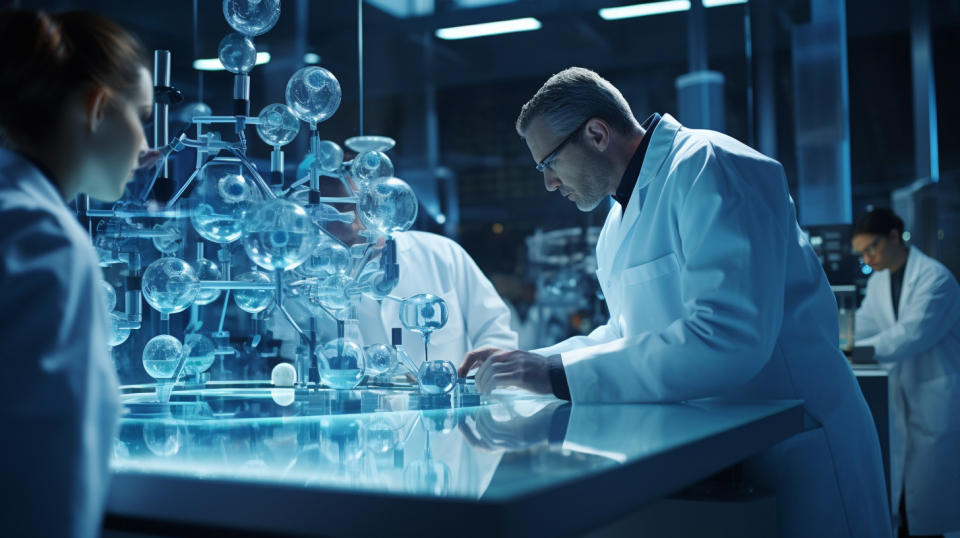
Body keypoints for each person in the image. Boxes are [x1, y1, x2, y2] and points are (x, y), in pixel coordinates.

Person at [459, 67, 891, 537]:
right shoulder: (616, 224)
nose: (549, 183)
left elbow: (729, 338)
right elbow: (626, 335)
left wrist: (556, 375)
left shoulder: (712, 165)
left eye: (549, 164)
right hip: (727, 446)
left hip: (801, 440)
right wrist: (529, 362)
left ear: (597, 134)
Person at [0, 9, 157, 537]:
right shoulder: (47, 244)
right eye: (142, 114)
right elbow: (47, 489)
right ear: (97, 108)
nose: (145, 145)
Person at [272, 174, 517, 369]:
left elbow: (495, 333)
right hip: (357, 427)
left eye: (346, 206)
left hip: (450, 423)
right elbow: (290, 365)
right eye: (323, 213)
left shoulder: (442, 255)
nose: (340, 220)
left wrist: (469, 385)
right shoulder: (304, 281)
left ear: (371, 203)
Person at [852, 208, 960, 538]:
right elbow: (865, 325)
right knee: (900, 496)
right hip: (898, 390)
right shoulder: (879, 280)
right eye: (862, 254)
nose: (868, 259)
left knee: (929, 498)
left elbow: (912, 335)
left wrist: (854, 350)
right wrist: (845, 342)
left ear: (895, 237)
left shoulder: (935, 278)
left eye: (872, 248)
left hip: (934, 393)